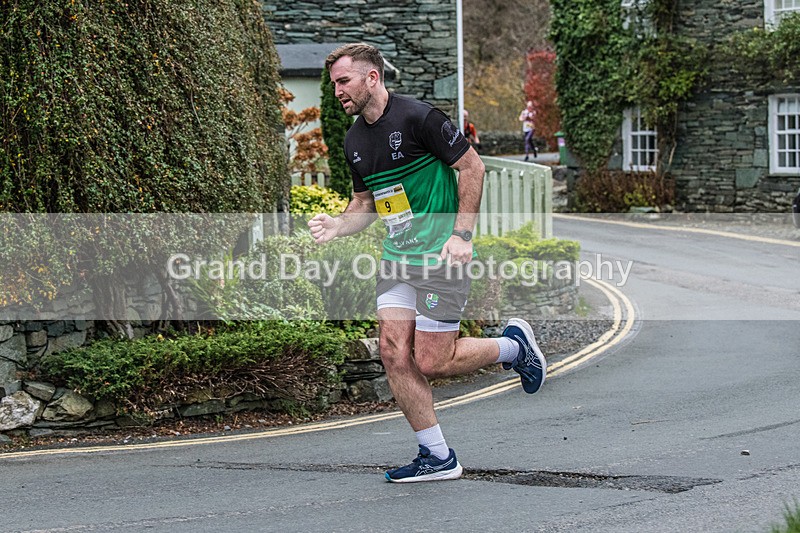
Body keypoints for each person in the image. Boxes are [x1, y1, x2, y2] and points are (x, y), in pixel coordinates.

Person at [309, 43, 547, 483]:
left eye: (343, 81)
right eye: (334, 83)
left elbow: (472, 168)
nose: (337, 91)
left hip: (441, 256)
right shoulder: (355, 140)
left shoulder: (419, 118)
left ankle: (514, 348)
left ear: (372, 78)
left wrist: (462, 235)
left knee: (434, 361)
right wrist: (338, 226)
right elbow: (364, 201)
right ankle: (437, 456)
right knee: (392, 350)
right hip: (397, 258)